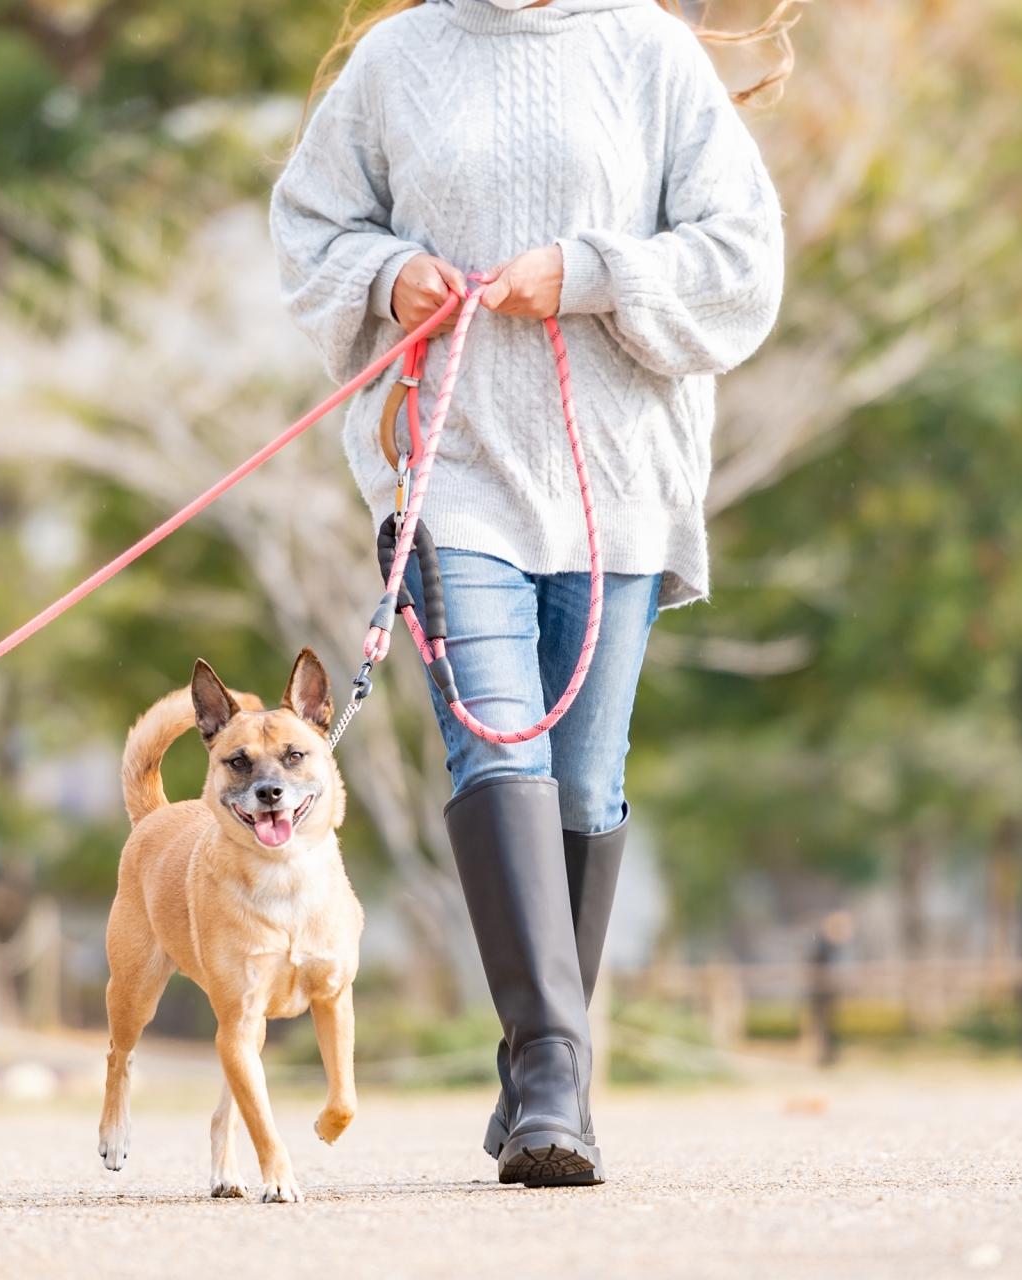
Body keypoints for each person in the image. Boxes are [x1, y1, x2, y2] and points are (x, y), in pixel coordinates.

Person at [270, 0, 790, 1186]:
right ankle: (557, 1070)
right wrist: (387, 273)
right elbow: (308, 224)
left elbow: (742, 257)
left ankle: (535, 1062)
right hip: (451, 470)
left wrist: (590, 273)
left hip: (618, 477)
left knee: (587, 780)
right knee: (497, 741)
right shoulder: (398, 58)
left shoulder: (649, 52)